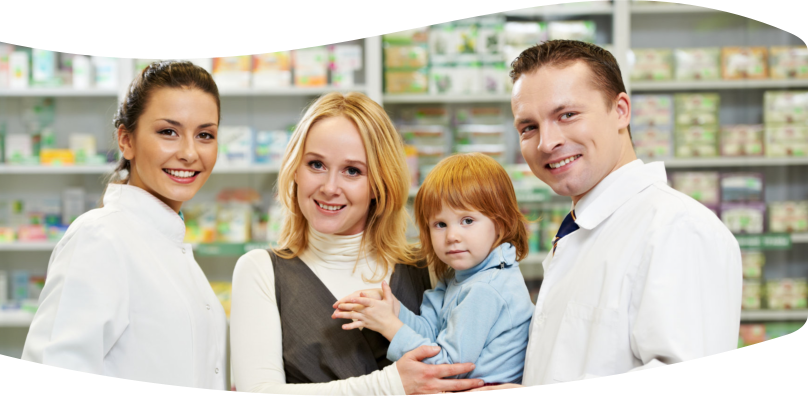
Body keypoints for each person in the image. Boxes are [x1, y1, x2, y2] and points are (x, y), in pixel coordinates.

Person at [475, 39, 741, 388]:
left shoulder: (677, 229)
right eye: (529, 127)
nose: (546, 142)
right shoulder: (584, 228)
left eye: (567, 115)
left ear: (620, 111)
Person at [230, 92, 487, 395]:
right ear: (295, 170)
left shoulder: (429, 266)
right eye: (316, 164)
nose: (329, 188)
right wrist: (392, 385)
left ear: (379, 184)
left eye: (352, 171)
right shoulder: (262, 271)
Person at [21, 61, 228, 390]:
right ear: (125, 140)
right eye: (168, 132)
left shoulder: (169, 244)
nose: (190, 153)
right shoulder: (101, 237)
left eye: (205, 135)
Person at [331, 152, 535, 387]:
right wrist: (393, 310)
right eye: (440, 224)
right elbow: (430, 333)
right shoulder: (458, 277)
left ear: (499, 224)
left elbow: (447, 369)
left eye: (467, 220)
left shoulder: (485, 288)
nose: (452, 236)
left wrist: (390, 326)